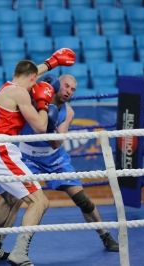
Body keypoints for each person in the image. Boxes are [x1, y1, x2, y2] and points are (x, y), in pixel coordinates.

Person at [0, 49, 75, 266]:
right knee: (40, 202)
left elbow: (32, 72)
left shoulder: (7, 87)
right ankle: (19, 253)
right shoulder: (21, 94)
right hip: (1, 151)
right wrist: (43, 103)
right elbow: (41, 127)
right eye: (35, 81)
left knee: (12, 198)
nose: (35, 85)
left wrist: (52, 63)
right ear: (31, 78)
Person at [19, 74, 120, 252]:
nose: (68, 92)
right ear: (57, 84)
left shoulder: (68, 112)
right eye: (66, 86)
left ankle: (105, 234)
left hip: (55, 158)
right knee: (12, 199)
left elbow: (57, 143)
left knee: (83, 200)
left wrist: (51, 125)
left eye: (72, 90)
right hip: (28, 157)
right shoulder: (34, 99)